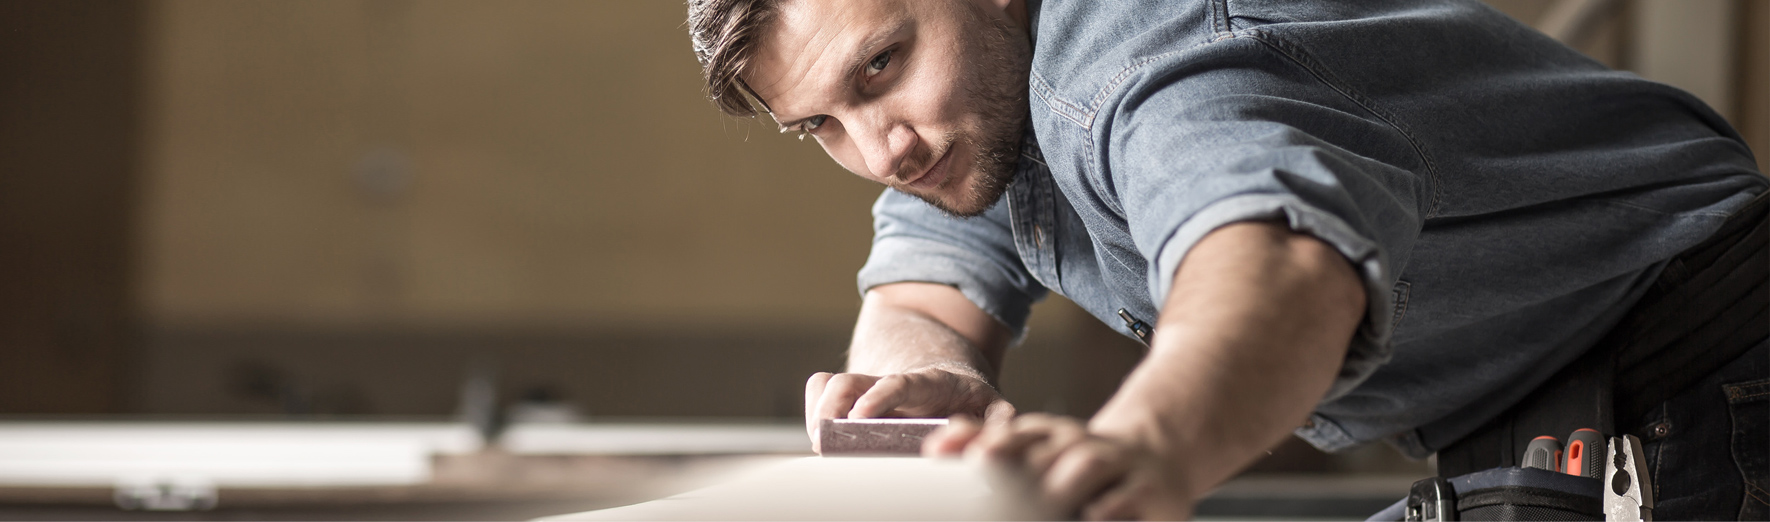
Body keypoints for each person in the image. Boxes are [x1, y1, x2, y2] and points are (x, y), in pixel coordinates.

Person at [684, 0, 1768, 519]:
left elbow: (1280, 265)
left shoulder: (1144, 60)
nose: (880, 149)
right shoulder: (979, 117)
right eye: (818, 125)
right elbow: (925, 265)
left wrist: (1146, 451)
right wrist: (924, 381)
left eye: (881, 66)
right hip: (1560, 408)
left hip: (1712, 372)